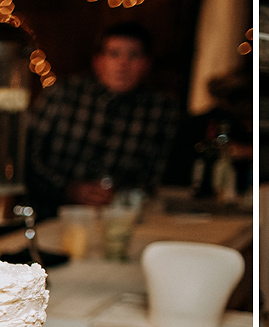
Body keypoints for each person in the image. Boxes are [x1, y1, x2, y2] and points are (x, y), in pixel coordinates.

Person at [24, 22, 183, 216]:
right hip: (46, 211)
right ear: (98, 61)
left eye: (133, 55)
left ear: (146, 64)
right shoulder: (62, 94)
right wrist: (66, 189)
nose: (123, 64)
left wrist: (118, 195)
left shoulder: (161, 110)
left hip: (117, 216)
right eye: (114, 54)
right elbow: (28, 156)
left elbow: (155, 175)